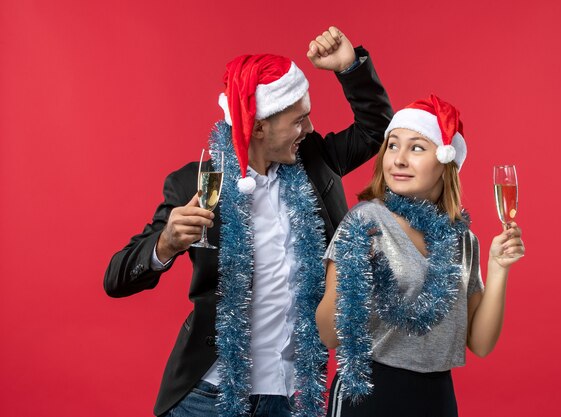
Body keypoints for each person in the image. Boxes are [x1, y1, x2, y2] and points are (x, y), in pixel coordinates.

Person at [104, 26, 392, 417]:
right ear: (258, 127)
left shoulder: (315, 162)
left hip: (294, 394)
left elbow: (377, 130)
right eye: (298, 121)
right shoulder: (195, 183)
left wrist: (349, 67)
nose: (308, 129)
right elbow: (116, 279)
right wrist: (165, 244)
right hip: (210, 395)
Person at [316, 95, 525, 417]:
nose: (398, 160)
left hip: (436, 395)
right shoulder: (365, 222)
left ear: (446, 162)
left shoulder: (462, 238)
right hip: (368, 392)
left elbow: (480, 343)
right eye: (393, 145)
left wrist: (498, 267)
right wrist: (352, 267)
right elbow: (329, 335)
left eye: (416, 147)